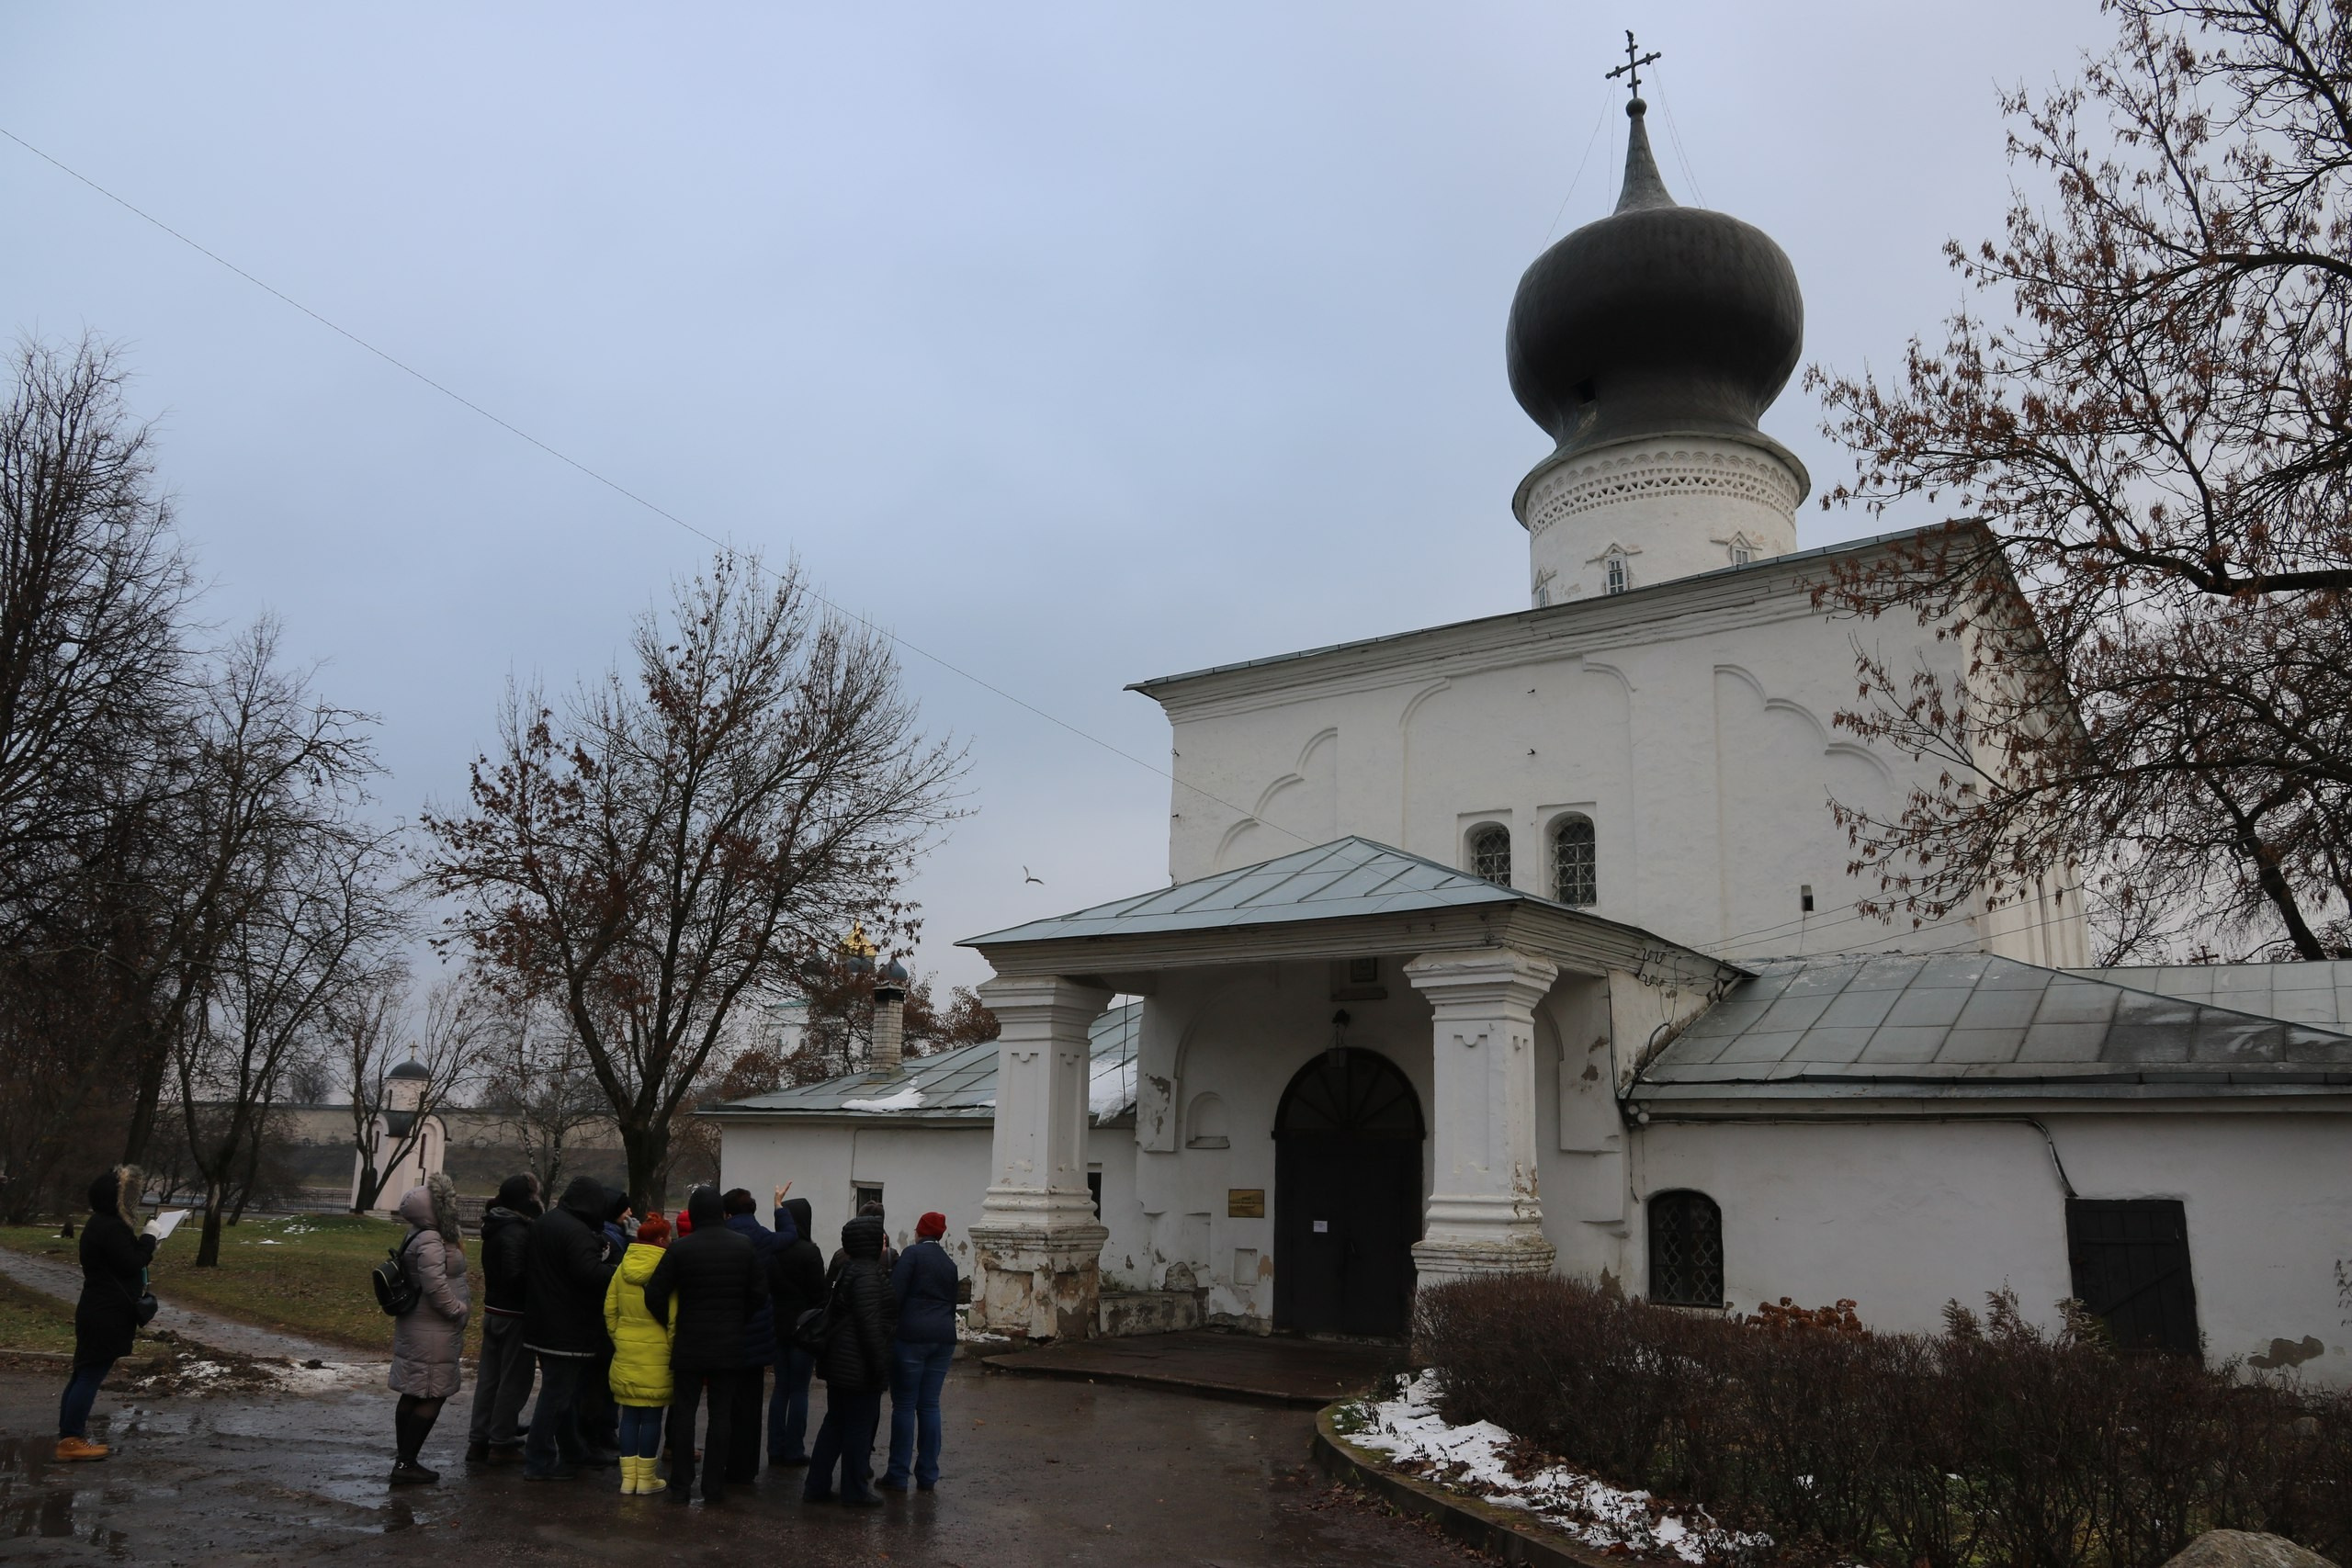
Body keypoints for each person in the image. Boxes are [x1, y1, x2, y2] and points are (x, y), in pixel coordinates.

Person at [643, 1187, 766, 1505]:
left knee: (684, 1414)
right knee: (721, 1415)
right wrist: (738, 1320)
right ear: (722, 1213)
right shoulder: (743, 1245)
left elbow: (654, 1294)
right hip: (729, 1343)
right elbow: (758, 1294)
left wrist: (671, 1323)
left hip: (689, 1341)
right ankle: (713, 1487)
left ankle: (681, 1485)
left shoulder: (680, 1249)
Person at [522, 1175, 618, 1480]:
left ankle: (573, 1450)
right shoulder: (577, 1232)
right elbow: (588, 1274)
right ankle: (538, 1462)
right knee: (557, 1397)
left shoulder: (545, 1223)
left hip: (542, 1320)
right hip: (567, 1326)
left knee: (562, 1394)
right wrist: (617, 1272)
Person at [58, 1166, 157, 1462]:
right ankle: (71, 1440)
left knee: (83, 1373)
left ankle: (69, 1436)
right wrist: (150, 1238)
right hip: (107, 1313)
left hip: (97, 1308)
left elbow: (122, 1260)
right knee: (89, 1375)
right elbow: (131, 1262)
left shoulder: (100, 1224)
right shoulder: (111, 1227)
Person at [803, 1211, 896, 1507]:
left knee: (835, 1424)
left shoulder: (851, 1269)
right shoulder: (868, 1275)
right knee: (857, 1429)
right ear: (871, 1243)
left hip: (841, 1361)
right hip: (857, 1365)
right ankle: (854, 1491)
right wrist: (879, 1366)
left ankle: (816, 1486)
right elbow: (870, 1326)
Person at [389, 1176, 470, 1485]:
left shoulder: (418, 1234)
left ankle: (404, 1459)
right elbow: (435, 1286)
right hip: (434, 1329)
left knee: (414, 1390)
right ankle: (406, 1463)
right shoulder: (431, 1240)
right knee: (433, 1393)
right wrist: (457, 1310)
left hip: (419, 1325)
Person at [466, 1173, 541, 1462]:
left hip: (494, 1310)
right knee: (514, 1379)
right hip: (514, 1314)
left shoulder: (496, 1226)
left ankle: (480, 1437)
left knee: (489, 1379)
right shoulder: (516, 1231)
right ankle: (501, 1441)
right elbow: (516, 1275)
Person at [881, 1211, 957, 1493]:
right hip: (944, 1338)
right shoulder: (949, 1263)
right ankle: (927, 1474)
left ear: (919, 1231)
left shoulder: (911, 1255)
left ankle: (898, 1474)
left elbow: (894, 1295)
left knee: (904, 1405)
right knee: (930, 1405)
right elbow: (952, 1303)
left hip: (912, 1337)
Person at [604, 1213, 674, 1495]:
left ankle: (627, 1479)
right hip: (658, 1354)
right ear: (661, 1239)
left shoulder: (622, 1268)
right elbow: (674, 1317)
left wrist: (620, 1338)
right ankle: (646, 1479)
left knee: (629, 1417)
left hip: (626, 1351)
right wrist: (672, 1346)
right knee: (652, 1418)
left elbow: (610, 1310)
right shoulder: (667, 1270)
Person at [718, 1188, 781, 1482]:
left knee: (724, 1404)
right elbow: (790, 1235)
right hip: (757, 1333)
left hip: (725, 1333)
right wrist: (779, 1206)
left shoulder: (721, 1238)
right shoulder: (764, 1237)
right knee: (751, 1406)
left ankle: (722, 1462)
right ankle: (745, 1468)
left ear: (727, 1212)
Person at [766, 1193, 824, 1468]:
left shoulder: (772, 1250)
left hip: (777, 1327)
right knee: (800, 1390)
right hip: (804, 1329)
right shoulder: (810, 1252)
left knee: (781, 1388)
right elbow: (819, 1294)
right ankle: (793, 1449)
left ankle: (774, 1448)